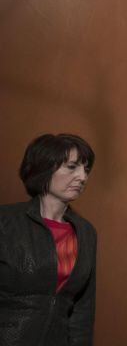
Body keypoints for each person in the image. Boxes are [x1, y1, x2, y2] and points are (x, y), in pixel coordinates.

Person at [0, 133, 97, 346]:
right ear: (44, 168)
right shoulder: (5, 222)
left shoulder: (86, 232)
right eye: (72, 167)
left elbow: (82, 311)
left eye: (86, 169)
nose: (83, 177)